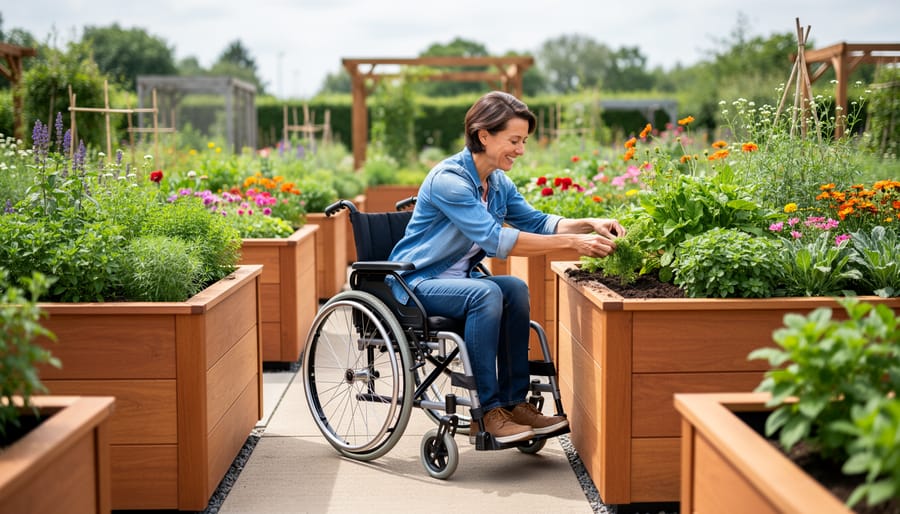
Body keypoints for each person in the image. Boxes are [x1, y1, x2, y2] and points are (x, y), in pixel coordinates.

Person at [387, 91, 626, 444]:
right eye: (514, 140)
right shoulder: (449, 180)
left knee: (513, 288)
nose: (521, 149)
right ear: (484, 135)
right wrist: (574, 245)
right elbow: (494, 240)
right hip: (416, 283)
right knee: (486, 294)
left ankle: (515, 403)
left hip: (461, 282)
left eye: (523, 141)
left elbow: (536, 221)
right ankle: (486, 412)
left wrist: (588, 223)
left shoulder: (497, 182)